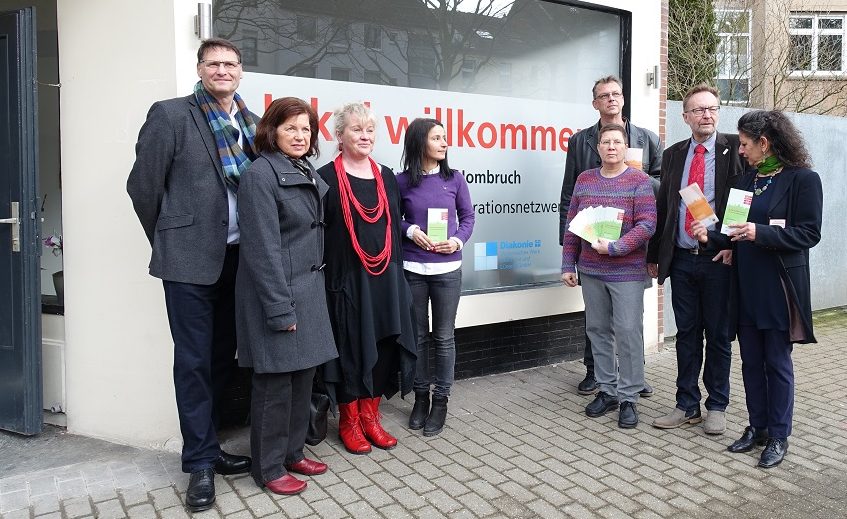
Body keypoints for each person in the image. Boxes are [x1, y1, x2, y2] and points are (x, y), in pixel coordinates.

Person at [127, 38, 254, 511]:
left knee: (222, 358)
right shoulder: (171, 114)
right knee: (194, 362)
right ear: (199, 68)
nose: (222, 69)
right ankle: (199, 464)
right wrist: (171, 236)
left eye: (230, 63)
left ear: (240, 71)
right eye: (213, 62)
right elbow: (142, 186)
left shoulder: (249, 122)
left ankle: (212, 446)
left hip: (239, 261)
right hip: (188, 264)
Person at [690, 110, 822, 468]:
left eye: (746, 145)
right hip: (745, 284)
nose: (741, 151)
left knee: (776, 363)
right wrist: (709, 237)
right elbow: (732, 230)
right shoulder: (746, 181)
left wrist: (759, 233)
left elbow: (809, 233)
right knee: (750, 362)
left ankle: (779, 435)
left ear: (764, 143)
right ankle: (757, 427)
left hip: (779, 285)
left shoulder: (803, 180)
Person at [235, 97, 339, 495]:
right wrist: (279, 308)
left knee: (302, 379)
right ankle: (268, 467)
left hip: (308, 293)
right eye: (290, 128)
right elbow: (261, 250)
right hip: (277, 295)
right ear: (272, 131)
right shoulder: (261, 175)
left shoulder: (303, 169)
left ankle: (294, 452)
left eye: (306, 129)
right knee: (275, 386)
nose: (300, 135)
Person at [316, 102, 416, 455]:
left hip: (385, 278)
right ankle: (349, 420)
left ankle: (372, 418)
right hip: (347, 281)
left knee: (385, 345)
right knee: (351, 348)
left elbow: (393, 223)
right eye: (356, 129)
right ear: (339, 134)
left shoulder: (386, 175)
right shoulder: (325, 178)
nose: (364, 136)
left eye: (370, 130)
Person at [647, 84, 745, 436]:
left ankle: (716, 405)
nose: (706, 114)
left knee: (718, 334)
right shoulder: (673, 155)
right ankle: (686, 403)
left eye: (712, 108)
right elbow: (664, 208)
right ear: (685, 115)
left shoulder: (736, 147)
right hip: (683, 258)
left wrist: (734, 245)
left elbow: (743, 201)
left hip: (719, 257)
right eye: (698, 109)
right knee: (687, 334)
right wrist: (656, 253)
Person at [559, 75, 662, 397]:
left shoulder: (645, 138)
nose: (611, 99)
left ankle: (633, 381)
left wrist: (635, 179)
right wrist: (568, 254)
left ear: (623, 99)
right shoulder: (581, 142)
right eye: (604, 95)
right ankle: (599, 378)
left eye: (616, 94)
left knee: (630, 325)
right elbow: (569, 198)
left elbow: (662, 188)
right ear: (596, 103)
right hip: (591, 254)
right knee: (598, 325)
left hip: (630, 253)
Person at [396, 118, 475, 437]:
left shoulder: (455, 179)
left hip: (447, 272)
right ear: (419, 143)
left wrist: (456, 240)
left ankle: (440, 402)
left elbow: (468, 218)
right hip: (413, 270)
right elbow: (392, 220)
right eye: (437, 138)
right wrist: (411, 231)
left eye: (445, 138)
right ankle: (420, 398)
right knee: (417, 338)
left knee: (443, 337)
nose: (444, 143)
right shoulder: (401, 181)